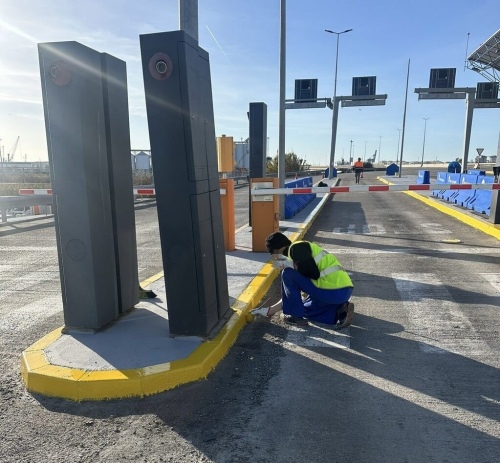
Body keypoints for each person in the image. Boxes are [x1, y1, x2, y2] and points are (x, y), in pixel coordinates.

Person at [251, 232, 354, 328]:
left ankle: (297, 317)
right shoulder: (303, 249)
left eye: (272, 254)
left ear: (277, 250)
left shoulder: (296, 248)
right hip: (342, 292)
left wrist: (291, 266)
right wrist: (269, 310)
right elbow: (291, 297)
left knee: (287, 274)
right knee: (306, 307)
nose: (274, 257)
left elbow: (313, 274)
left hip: (332, 291)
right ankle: (341, 311)